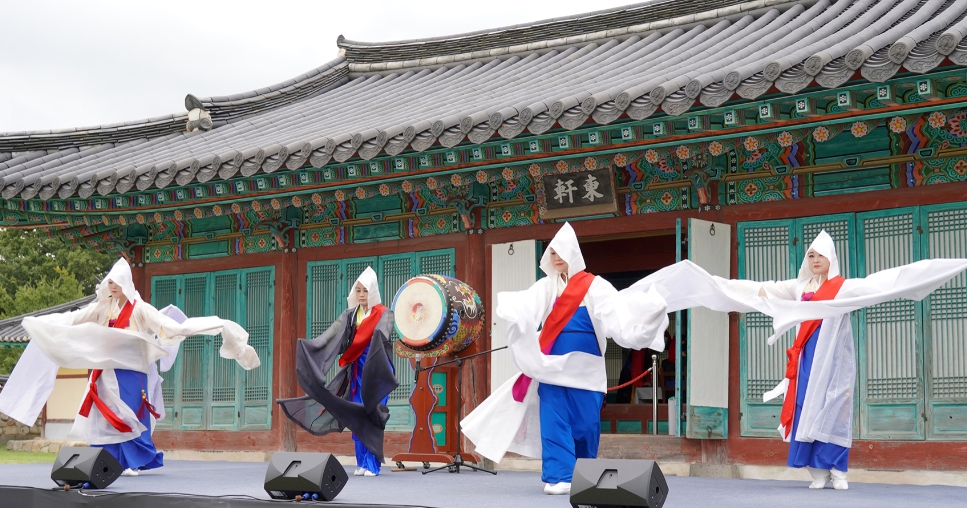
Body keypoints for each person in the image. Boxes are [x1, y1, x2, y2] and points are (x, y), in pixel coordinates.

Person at [626, 230, 967, 491]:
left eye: (820, 255)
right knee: (806, 406)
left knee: (835, 407)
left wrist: (932, 271)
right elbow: (763, 289)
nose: (815, 259)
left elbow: (882, 284)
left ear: (831, 259)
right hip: (806, 358)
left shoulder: (844, 287)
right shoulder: (800, 287)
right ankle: (817, 471)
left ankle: (838, 469)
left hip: (834, 360)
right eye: (811, 255)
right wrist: (721, 287)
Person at [0, 258, 260, 476]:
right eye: (109, 282)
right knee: (104, 416)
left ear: (125, 282)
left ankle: (132, 461)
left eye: (116, 282)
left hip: (132, 371)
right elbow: (73, 318)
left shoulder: (140, 309)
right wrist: (43, 323)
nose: (112, 286)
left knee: (130, 414)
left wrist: (209, 326)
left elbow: (167, 326)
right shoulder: (103, 308)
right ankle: (108, 461)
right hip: (105, 371)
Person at [461, 223, 668, 495]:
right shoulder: (546, 287)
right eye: (552, 253)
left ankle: (584, 475)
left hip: (586, 369)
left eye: (561, 253)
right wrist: (517, 316)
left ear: (573, 254)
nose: (557, 258)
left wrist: (645, 319)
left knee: (586, 425)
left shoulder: (595, 286)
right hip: (551, 368)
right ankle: (559, 476)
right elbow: (527, 306)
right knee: (554, 421)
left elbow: (616, 317)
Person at [278, 267, 398, 477]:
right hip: (356, 370)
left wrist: (371, 336)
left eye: (365, 291)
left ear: (373, 291)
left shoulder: (385, 313)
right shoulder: (350, 315)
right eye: (358, 291)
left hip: (377, 370)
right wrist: (309, 346)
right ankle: (362, 462)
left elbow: (383, 334)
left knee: (372, 412)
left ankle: (372, 464)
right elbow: (332, 335)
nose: (361, 295)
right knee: (356, 412)